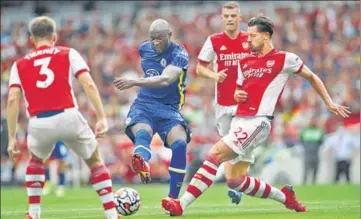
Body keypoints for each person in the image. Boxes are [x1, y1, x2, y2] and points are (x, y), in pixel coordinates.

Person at [161, 15, 351, 216]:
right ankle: (285, 197)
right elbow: (239, 91)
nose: (248, 40)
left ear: (266, 36)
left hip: (258, 122)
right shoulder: (245, 62)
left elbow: (312, 77)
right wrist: (237, 94)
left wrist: (329, 102)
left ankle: (180, 204)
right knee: (235, 180)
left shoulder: (285, 59)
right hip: (239, 121)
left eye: (252, 36)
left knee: (214, 154)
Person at [6, 16, 120, 219]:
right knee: (94, 160)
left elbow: (13, 100)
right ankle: (112, 214)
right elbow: (89, 84)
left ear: (31, 40)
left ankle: (34, 213)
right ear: (55, 36)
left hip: (39, 122)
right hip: (68, 116)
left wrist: (12, 138)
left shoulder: (19, 64)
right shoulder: (68, 53)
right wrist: (101, 117)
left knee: (36, 160)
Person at [113, 19, 191, 201]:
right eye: (153, 39)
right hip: (144, 103)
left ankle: (172, 199)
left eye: (160, 39)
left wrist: (134, 81)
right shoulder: (144, 48)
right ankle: (142, 161)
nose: (156, 43)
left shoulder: (179, 53)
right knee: (143, 131)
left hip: (169, 109)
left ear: (170, 36)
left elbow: (165, 79)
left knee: (180, 144)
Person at [196, 1, 250, 205]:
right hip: (223, 103)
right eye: (226, 16)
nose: (229, 19)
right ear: (222, 18)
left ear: (239, 18)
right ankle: (237, 182)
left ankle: (237, 184)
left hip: (245, 102)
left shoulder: (249, 39)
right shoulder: (214, 41)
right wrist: (214, 75)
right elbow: (200, 69)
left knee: (241, 142)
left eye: (233, 16)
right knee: (229, 145)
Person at [300, 116, 325, 185]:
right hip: (307, 152)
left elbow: (321, 141)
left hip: (315, 152)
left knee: (315, 168)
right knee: (306, 168)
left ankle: (313, 182)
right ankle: (304, 182)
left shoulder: (319, 131)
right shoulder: (305, 131)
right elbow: (301, 140)